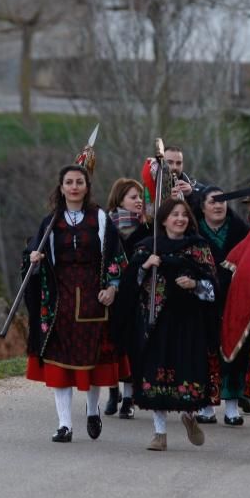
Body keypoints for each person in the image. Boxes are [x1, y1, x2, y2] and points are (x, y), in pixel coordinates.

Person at [22, 164, 129, 443]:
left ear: (86, 186)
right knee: (60, 362)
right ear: (61, 188)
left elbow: (117, 256)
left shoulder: (100, 219)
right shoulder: (50, 222)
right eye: (68, 182)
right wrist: (34, 260)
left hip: (93, 298)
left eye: (79, 182)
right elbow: (35, 254)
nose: (73, 187)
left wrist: (112, 288)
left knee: (91, 360)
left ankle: (92, 410)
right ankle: (65, 424)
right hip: (59, 300)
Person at [120, 199, 221, 451]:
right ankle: (159, 433)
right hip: (155, 320)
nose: (180, 219)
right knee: (155, 371)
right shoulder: (146, 248)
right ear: (163, 219)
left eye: (184, 215)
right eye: (174, 214)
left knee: (187, 368)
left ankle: (189, 415)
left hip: (188, 321)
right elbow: (129, 285)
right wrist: (144, 267)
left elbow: (213, 287)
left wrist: (195, 285)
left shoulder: (199, 248)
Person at [194, 187, 250, 426]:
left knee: (233, 351)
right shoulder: (193, 229)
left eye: (222, 201)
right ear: (203, 206)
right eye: (212, 201)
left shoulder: (240, 230)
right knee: (205, 352)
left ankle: (232, 408)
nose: (218, 206)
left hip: (233, 297)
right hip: (201, 299)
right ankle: (206, 407)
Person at [102, 178, 151, 419]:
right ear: (120, 199)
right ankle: (113, 392)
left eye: (140, 197)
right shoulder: (106, 226)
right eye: (133, 197)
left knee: (132, 345)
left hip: (137, 293)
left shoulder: (147, 228)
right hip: (112, 293)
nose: (139, 201)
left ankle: (129, 398)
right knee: (112, 345)